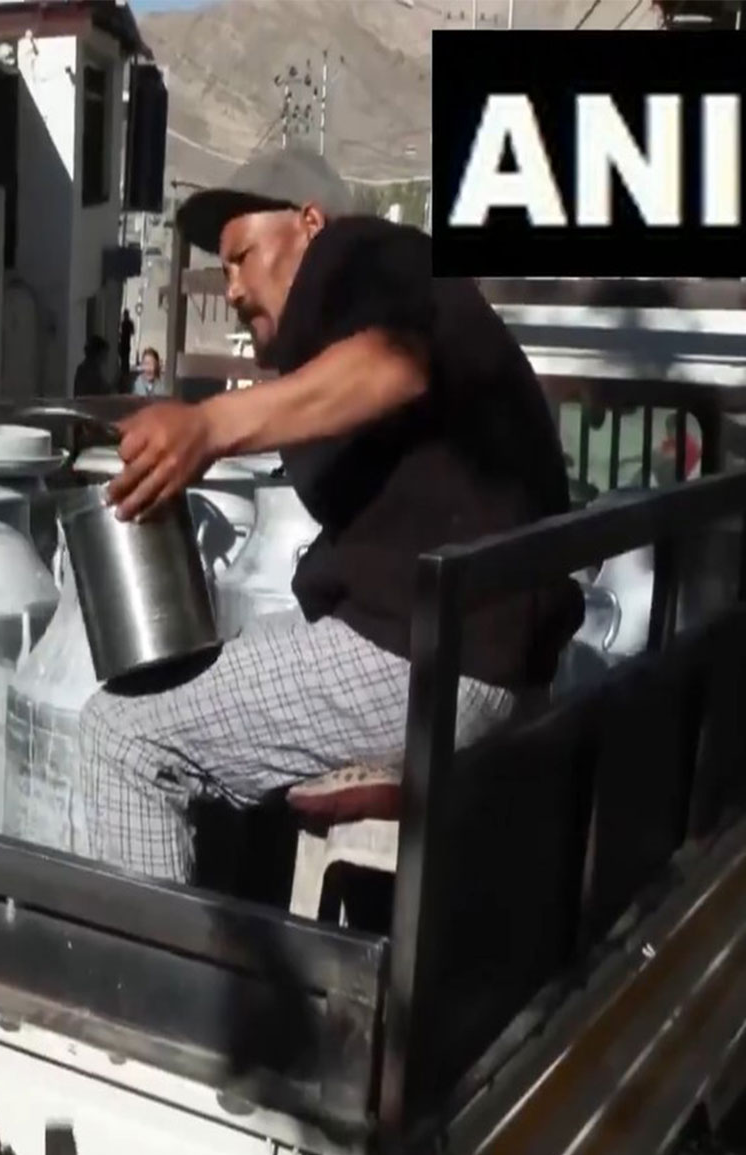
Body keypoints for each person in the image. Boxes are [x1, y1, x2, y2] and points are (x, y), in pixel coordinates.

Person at [77, 148, 583, 882]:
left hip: (437, 657)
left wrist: (210, 426)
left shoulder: (364, 251)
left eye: (245, 256)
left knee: (123, 734)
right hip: (471, 648)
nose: (236, 287)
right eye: (224, 269)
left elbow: (392, 364)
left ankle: (151, 995)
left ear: (310, 224)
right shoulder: (353, 326)